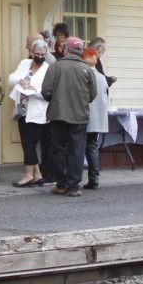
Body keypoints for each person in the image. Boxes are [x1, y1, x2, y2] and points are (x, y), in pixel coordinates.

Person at [39, 37, 96, 197]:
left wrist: (56, 100)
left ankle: (62, 183)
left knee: (58, 149)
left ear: (66, 49)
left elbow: (46, 91)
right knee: (77, 149)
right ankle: (74, 186)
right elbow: (92, 95)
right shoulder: (87, 69)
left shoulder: (56, 67)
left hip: (58, 114)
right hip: (80, 115)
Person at [8, 37, 51, 188]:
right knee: (26, 141)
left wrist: (36, 91)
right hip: (22, 108)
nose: (40, 57)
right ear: (31, 52)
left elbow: (50, 91)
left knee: (30, 143)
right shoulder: (24, 64)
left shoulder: (48, 68)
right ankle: (37, 175)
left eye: (43, 54)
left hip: (38, 110)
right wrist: (20, 81)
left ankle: (28, 175)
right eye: (37, 54)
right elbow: (11, 78)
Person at [83, 44, 110, 190]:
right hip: (98, 117)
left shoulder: (83, 75)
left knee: (78, 147)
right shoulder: (102, 78)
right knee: (92, 147)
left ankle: (75, 178)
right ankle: (94, 178)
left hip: (84, 117)